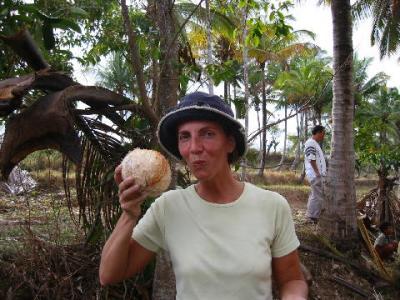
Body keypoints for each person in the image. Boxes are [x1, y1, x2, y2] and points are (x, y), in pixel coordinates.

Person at [99, 92, 308, 300]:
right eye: (185, 137)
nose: (195, 148)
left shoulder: (271, 206)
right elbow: (109, 274)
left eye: (208, 134)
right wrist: (129, 214)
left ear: (230, 143)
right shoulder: (169, 207)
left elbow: (292, 280)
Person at [304, 125, 326, 224]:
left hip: (317, 174)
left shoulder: (315, 144)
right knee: (317, 196)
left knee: (315, 194)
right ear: (318, 132)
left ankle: (312, 216)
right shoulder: (310, 143)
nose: (323, 136)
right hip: (315, 174)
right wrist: (317, 173)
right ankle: (312, 217)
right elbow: (311, 158)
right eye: (323, 133)